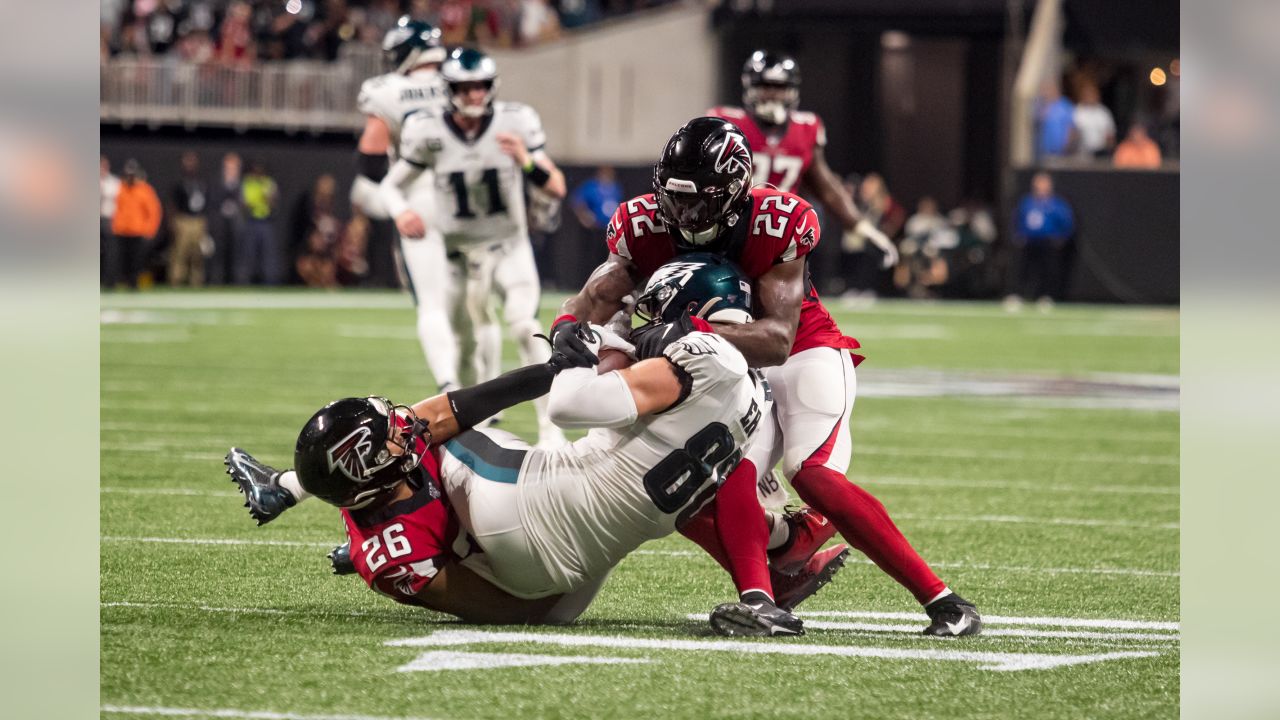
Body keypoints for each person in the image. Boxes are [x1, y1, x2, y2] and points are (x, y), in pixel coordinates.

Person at [223, 258, 836, 634]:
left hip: (552, 566)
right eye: (387, 444)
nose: (401, 429)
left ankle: (285, 488)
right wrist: (562, 368)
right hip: (534, 568)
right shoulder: (394, 549)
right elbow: (480, 600)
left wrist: (546, 371)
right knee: (453, 431)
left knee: (439, 432)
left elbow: (435, 431)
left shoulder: (389, 523)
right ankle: (783, 545)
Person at [552, 117, 983, 637]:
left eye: (699, 202)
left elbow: (778, 337)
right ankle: (763, 598)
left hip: (803, 352)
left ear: (735, 191)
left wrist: (684, 332)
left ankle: (945, 601)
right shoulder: (644, 224)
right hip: (722, 361)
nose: (684, 215)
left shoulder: (776, 220)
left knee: (812, 474)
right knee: (702, 476)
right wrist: (564, 331)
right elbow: (593, 297)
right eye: (675, 200)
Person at [382, 47, 568, 448]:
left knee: (524, 326)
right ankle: (474, 430)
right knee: (464, 343)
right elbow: (391, 185)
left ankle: (551, 430)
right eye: (466, 88)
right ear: (450, 89)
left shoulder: (515, 122)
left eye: (481, 86)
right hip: (458, 256)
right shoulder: (427, 131)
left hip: (507, 247)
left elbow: (555, 185)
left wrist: (525, 160)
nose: (475, 95)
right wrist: (400, 212)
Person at [708, 52, 898, 271]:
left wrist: (862, 228)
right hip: (732, 231)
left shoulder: (806, 128)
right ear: (750, 87)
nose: (772, 94)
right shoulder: (726, 123)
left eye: (779, 87)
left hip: (780, 234)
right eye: (765, 85)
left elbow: (826, 188)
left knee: (793, 300)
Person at [1009, 171, 1075, 311]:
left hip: (1048, 242)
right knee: (1025, 270)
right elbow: (1017, 218)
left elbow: (1066, 222)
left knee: (1049, 270)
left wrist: (1061, 237)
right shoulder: (1027, 202)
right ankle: (1020, 295)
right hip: (1029, 241)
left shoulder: (1057, 204)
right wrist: (1018, 234)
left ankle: (1046, 296)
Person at [108, 159, 162, 289]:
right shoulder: (118, 188)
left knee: (136, 261)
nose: (130, 178)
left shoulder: (145, 189)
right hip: (120, 230)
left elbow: (154, 211)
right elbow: (110, 207)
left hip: (137, 231)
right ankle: (113, 283)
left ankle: (133, 284)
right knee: (117, 259)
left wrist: (150, 230)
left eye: (132, 175)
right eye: (128, 175)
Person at [237, 161, 282, 285]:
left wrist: (267, 198)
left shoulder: (269, 183)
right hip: (251, 221)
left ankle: (270, 283)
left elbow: (273, 201)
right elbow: (243, 203)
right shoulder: (247, 183)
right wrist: (257, 201)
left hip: (266, 221)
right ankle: (244, 283)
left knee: (269, 255)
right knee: (248, 254)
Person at [168, 151, 209, 287]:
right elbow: (173, 204)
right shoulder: (179, 182)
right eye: (187, 161)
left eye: (192, 161)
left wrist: (204, 222)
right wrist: (174, 222)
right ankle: (176, 279)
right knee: (180, 251)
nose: (190, 164)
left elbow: (205, 203)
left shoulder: (201, 182)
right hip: (183, 219)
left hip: (198, 220)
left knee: (197, 253)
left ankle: (196, 281)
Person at [206, 152, 244, 285]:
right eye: (228, 167)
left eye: (233, 167)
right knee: (217, 253)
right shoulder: (216, 182)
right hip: (219, 224)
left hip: (236, 224)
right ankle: (215, 281)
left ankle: (236, 282)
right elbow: (211, 201)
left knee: (237, 254)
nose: (231, 170)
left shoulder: (241, 183)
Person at [1072, 82, 1116, 158]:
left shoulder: (1103, 112)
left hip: (1101, 153)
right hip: (1082, 153)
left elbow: (1110, 135)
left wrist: (1110, 151)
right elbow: (1072, 134)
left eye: (1092, 94)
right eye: (1087, 94)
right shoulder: (1077, 112)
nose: (1090, 97)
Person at [1036, 79, 1075, 159]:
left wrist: (1068, 145)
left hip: (1061, 152)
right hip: (1042, 152)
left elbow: (1071, 127)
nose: (1046, 92)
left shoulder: (1065, 105)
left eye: (1049, 89)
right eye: (1044, 90)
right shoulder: (1040, 105)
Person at [100, 156, 121, 286]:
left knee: (110, 252)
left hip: (109, 219)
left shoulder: (114, 182)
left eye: (104, 165)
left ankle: (109, 281)